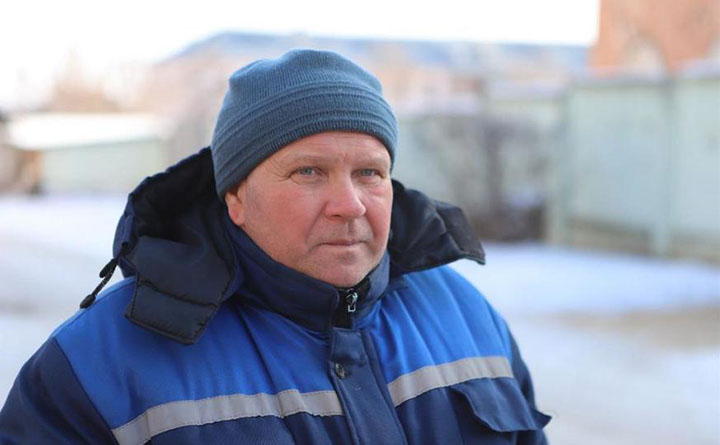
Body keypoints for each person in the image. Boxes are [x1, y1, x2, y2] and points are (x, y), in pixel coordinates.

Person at [0, 49, 550, 444]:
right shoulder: (99, 363)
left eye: (369, 172)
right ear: (236, 198)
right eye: (309, 172)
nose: (349, 205)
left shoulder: (465, 315)